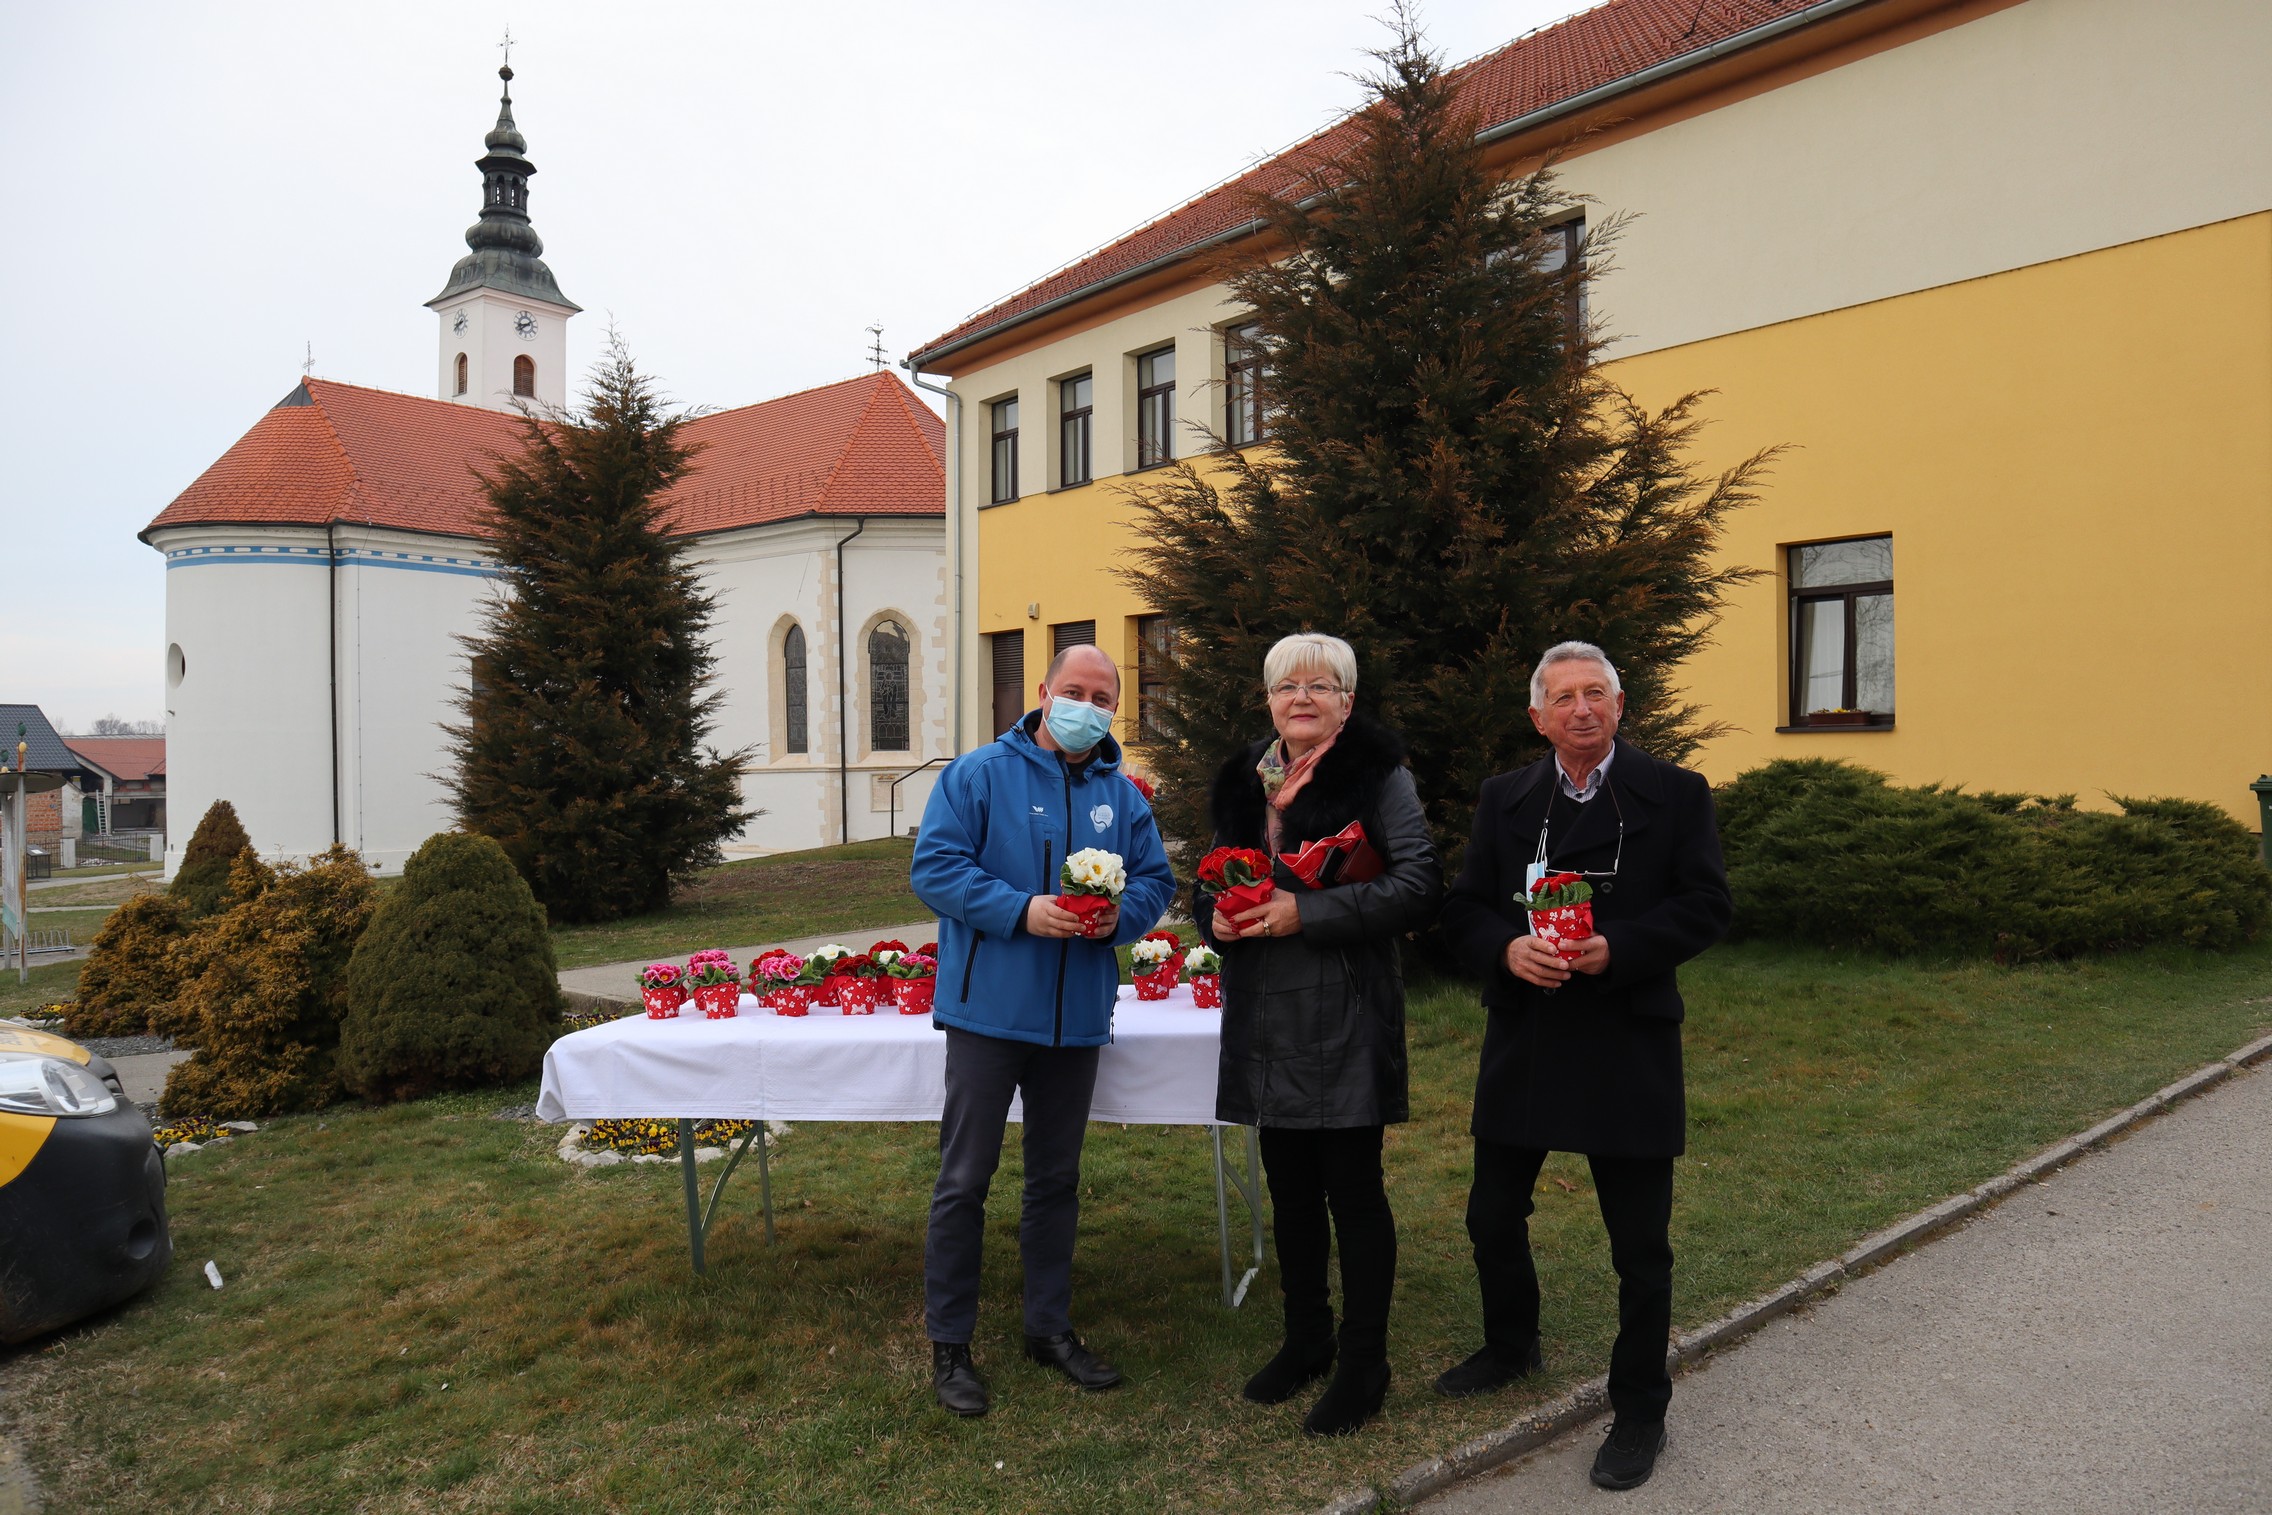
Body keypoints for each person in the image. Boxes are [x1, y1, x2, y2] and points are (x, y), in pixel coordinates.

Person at [1436, 640, 1731, 1491]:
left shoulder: (1674, 794)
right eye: (1562, 697)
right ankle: (1510, 1341)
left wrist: (1621, 948)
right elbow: (1463, 908)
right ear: (1538, 715)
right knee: (1492, 1213)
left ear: (1619, 702)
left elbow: (1708, 903)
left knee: (1640, 1247)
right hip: (1528, 1037)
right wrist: (1504, 949)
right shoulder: (1506, 799)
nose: (1580, 709)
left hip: (1626, 1036)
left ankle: (1639, 1407)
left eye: (1594, 692)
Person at [910, 643, 1177, 1418]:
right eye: (1075, 690)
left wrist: (1114, 923)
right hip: (988, 1014)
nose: (1086, 706)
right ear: (1042, 692)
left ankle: (1047, 1327)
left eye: (1102, 696)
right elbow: (935, 868)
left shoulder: (1123, 796)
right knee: (964, 1180)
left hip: (1076, 1020)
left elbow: (1155, 878)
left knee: (1055, 1181)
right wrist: (1021, 909)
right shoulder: (978, 774)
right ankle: (951, 1342)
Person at [1195, 633, 1443, 1437]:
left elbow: (1418, 882)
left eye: (1321, 684)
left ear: (1346, 699)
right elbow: (1207, 879)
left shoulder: (1378, 773)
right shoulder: (1243, 779)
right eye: (1285, 685)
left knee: (1353, 1191)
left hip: (1343, 1010)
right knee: (1290, 1188)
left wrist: (1312, 910)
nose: (1301, 697)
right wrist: (1217, 921)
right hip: (1264, 1009)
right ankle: (1307, 1338)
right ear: (1268, 700)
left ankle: (1365, 1362)